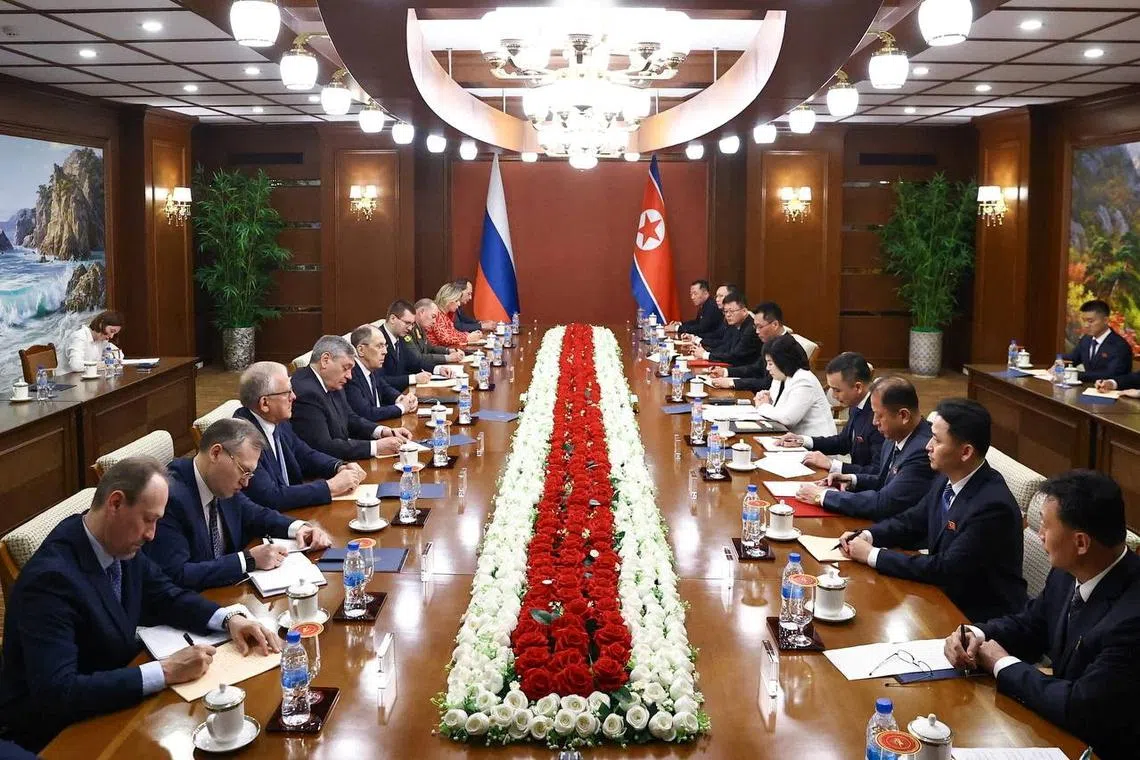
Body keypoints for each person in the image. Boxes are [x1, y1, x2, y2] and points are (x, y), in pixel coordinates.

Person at [0, 457, 280, 752]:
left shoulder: (117, 543)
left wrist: (229, 619)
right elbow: (60, 693)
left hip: (117, 698)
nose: (152, 535)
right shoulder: (50, 580)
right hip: (58, 735)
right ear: (116, 503)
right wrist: (166, 671)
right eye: (148, 519)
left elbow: (166, 595)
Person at [943, 470, 1140, 760]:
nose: (1038, 534)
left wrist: (1000, 663)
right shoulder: (1069, 572)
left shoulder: (1132, 618)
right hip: (1058, 728)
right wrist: (976, 634)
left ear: (1081, 543)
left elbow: (1081, 707)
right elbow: (1032, 625)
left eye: (1046, 526)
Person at [838, 398, 1027, 622]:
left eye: (936, 440)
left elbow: (946, 568)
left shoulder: (992, 507)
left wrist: (872, 555)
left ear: (965, 452)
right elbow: (911, 521)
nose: (927, 446)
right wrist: (868, 535)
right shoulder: (946, 479)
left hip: (978, 619)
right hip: (941, 598)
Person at [145, 418, 333, 591]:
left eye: (251, 474)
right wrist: (247, 560)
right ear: (216, 453)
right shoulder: (170, 497)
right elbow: (177, 574)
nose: (247, 483)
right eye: (244, 471)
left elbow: (254, 514)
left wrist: (300, 528)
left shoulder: (220, 483)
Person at [797, 376, 935, 520]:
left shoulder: (923, 451)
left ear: (903, 415)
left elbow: (885, 503)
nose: (874, 422)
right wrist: (851, 480)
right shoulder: (894, 436)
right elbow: (884, 481)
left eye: (879, 415)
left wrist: (822, 496)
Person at [234, 361, 365, 510]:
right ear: (264, 403)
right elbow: (270, 497)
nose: (294, 397)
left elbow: (304, 453)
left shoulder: (278, 420)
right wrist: (330, 487)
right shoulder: (243, 439)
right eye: (287, 392)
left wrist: (339, 466)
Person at [290, 335, 411, 461]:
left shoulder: (332, 381)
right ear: (325, 360)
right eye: (345, 368)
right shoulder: (306, 393)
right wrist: (375, 447)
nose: (349, 376)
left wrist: (382, 431)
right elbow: (324, 446)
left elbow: (349, 417)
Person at [780, 352, 884, 474]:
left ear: (858, 387)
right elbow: (844, 442)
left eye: (837, 390)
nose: (834, 396)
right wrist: (803, 440)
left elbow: (877, 472)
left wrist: (832, 465)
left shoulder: (878, 417)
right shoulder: (856, 404)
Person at [750, 334, 836, 438]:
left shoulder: (804, 380)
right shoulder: (780, 377)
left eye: (770, 363)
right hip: (790, 439)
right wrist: (765, 398)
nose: (767, 368)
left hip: (815, 446)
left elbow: (788, 419)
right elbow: (775, 405)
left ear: (783, 361)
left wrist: (763, 406)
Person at [348, 324, 418, 422]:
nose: (385, 351)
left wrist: (402, 398)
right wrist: (401, 408)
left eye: (385, 345)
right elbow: (366, 413)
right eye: (379, 346)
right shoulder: (351, 374)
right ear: (361, 350)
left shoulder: (373, 368)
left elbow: (384, 388)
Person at [378, 300, 457, 388]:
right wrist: (413, 379)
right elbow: (380, 381)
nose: (410, 328)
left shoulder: (399, 335)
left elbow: (414, 361)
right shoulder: (377, 340)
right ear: (393, 319)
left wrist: (438, 369)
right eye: (407, 323)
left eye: (412, 324)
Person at [681, 292, 761, 366]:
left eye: (731, 311)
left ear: (744, 311)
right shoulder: (735, 324)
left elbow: (735, 356)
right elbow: (726, 347)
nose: (728, 315)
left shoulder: (751, 328)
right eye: (726, 312)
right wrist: (704, 351)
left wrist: (706, 355)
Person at [1061, 299, 1132, 382]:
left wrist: (1075, 374)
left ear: (1105, 320)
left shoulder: (1120, 346)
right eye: (1084, 321)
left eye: (1090, 321)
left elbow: (1110, 374)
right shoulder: (1086, 340)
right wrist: (1059, 362)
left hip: (1110, 391)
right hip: (1086, 388)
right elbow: (1072, 358)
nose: (1086, 325)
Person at [428, 282, 483, 349]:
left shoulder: (445, 315)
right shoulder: (436, 314)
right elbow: (445, 339)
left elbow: (453, 332)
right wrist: (467, 338)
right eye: (456, 300)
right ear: (448, 299)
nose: (459, 304)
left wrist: (470, 335)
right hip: (437, 354)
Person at [412, 298, 466, 365]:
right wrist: (448, 358)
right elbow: (418, 357)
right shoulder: (409, 329)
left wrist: (449, 351)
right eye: (433, 316)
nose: (434, 322)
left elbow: (430, 348)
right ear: (422, 312)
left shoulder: (421, 327)